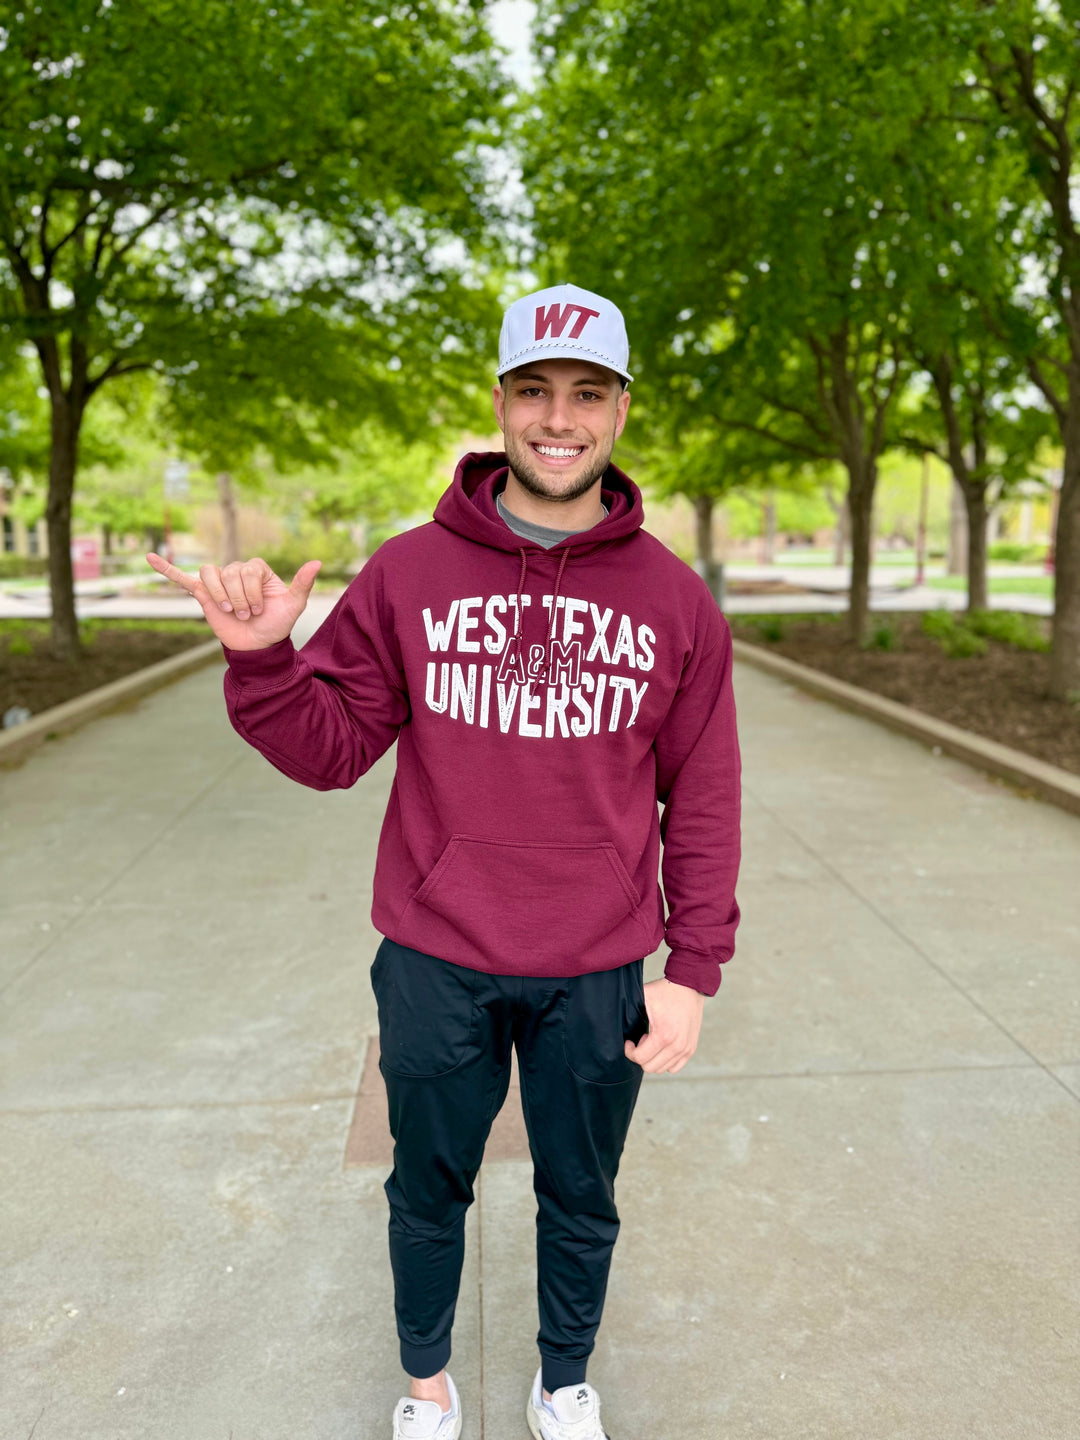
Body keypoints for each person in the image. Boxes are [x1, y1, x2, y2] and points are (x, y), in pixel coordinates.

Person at [147, 282, 741, 1440]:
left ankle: (562, 1379)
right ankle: (427, 1386)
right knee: (426, 1189)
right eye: (534, 391)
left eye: (586, 393)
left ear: (621, 410)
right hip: (435, 954)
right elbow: (332, 754)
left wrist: (693, 968)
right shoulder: (412, 572)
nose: (557, 418)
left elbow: (704, 793)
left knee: (582, 1196)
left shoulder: (674, 600)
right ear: (501, 403)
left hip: (597, 966)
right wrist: (264, 662)